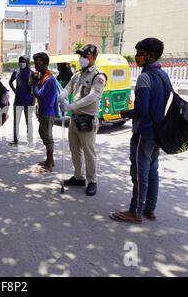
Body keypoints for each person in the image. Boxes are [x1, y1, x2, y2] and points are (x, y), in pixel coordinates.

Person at [109, 38, 171, 224]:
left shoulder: (145, 77)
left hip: (144, 132)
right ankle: (149, 209)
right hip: (158, 131)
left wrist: (125, 112)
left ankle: (135, 211)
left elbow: (141, 110)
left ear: (150, 55)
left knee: (139, 172)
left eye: (140, 52)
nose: (137, 56)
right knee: (152, 170)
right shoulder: (163, 75)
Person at [59, 44, 107, 196]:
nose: (81, 59)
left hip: (87, 120)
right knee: (74, 150)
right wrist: (63, 94)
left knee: (89, 152)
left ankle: (92, 181)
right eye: (81, 56)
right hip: (74, 119)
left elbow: (92, 97)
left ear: (93, 58)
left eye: (85, 56)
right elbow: (69, 87)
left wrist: (71, 106)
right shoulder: (78, 74)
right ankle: (79, 177)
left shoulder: (98, 77)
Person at [32, 52, 59, 172]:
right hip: (44, 112)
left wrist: (34, 83)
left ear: (45, 64)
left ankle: (49, 164)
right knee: (43, 133)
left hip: (48, 112)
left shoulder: (49, 79)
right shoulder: (43, 77)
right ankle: (50, 160)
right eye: (35, 63)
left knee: (48, 137)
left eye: (38, 63)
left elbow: (40, 94)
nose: (35, 66)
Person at [8, 56, 35, 145]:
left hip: (29, 101)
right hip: (18, 100)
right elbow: (10, 82)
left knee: (29, 122)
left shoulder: (32, 73)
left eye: (23, 61)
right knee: (16, 122)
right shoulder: (16, 71)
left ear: (27, 62)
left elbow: (35, 88)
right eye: (20, 61)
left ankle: (30, 140)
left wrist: (34, 100)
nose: (22, 62)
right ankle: (15, 140)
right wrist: (14, 90)